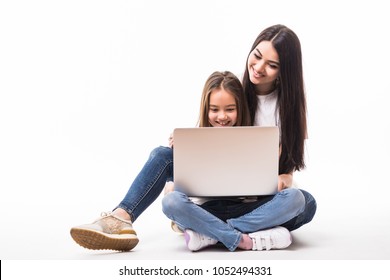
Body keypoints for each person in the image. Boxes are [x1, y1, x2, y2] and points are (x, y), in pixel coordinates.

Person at [162, 24, 317, 252]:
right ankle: (251, 236)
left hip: (257, 203)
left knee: (304, 201)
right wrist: (185, 146)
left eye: (272, 65)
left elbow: (288, 171)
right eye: (256, 56)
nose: (259, 67)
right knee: (171, 200)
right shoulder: (234, 92)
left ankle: (210, 233)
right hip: (214, 201)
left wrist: (284, 179)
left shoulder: (291, 110)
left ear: (285, 71)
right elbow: (210, 140)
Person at [69, 71, 250, 251]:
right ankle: (121, 218)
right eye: (214, 109)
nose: (222, 116)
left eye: (230, 109)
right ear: (205, 109)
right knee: (161, 154)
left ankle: (203, 231)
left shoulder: (253, 139)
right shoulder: (196, 140)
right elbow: (190, 187)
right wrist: (179, 161)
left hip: (243, 210)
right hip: (205, 210)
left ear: (240, 108)